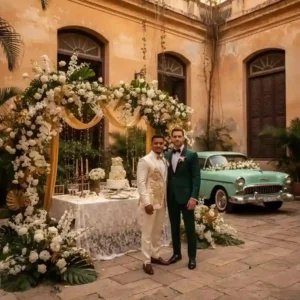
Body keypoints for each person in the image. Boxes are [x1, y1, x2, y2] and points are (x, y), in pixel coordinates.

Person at [165, 128, 200, 270]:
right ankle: (176, 253)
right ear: (171, 139)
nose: (177, 139)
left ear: (183, 138)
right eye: (175, 136)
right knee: (174, 227)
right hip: (171, 197)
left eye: (180, 136)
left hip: (186, 198)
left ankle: (192, 257)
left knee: (189, 228)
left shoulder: (191, 155)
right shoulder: (166, 155)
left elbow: (196, 177)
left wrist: (193, 197)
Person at [137, 135, 169, 275]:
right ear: (151, 144)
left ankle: (155, 255)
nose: (158, 145)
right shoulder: (144, 161)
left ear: (164, 145)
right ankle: (146, 261)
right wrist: (146, 203)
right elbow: (141, 183)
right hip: (150, 202)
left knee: (157, 231)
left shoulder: (164, 160)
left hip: (162, 201)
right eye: (156, 143)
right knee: (147, 232)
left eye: (161, 143)